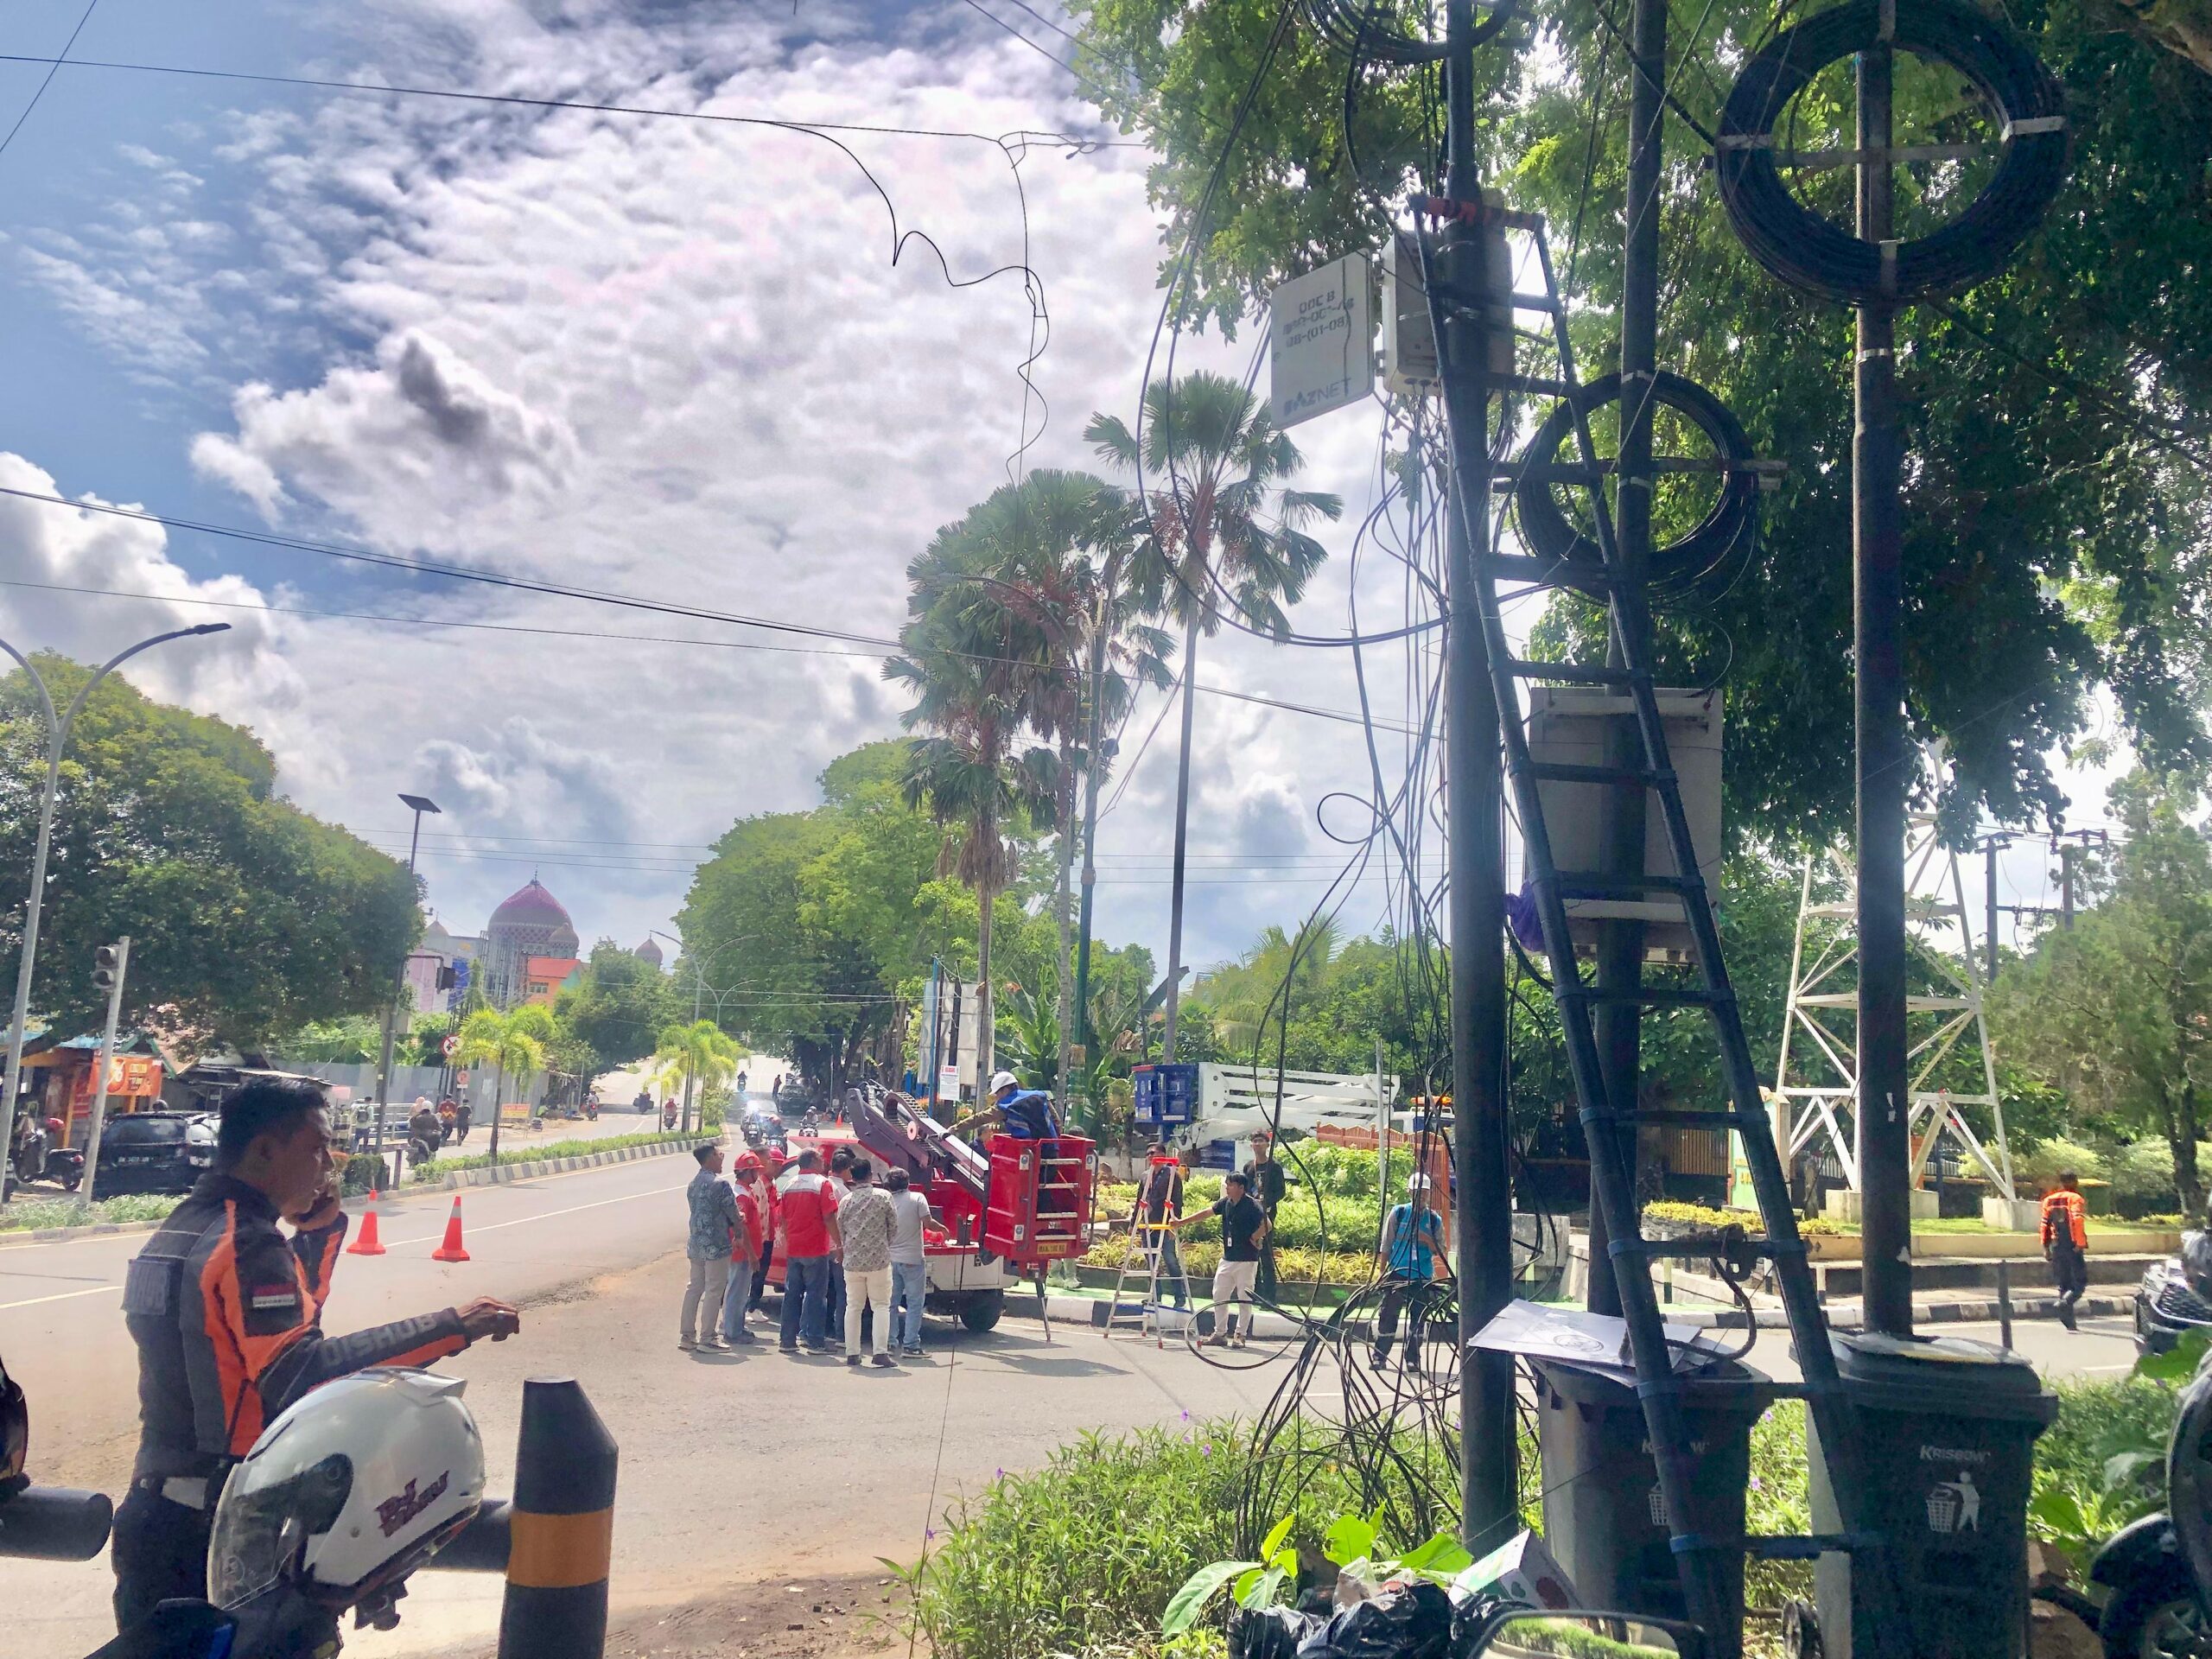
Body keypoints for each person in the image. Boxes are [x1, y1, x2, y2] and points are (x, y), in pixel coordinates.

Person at [115, 1079, 519, 1631]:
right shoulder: (247, 1242)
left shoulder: (186, 1227)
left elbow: (273, 1330)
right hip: (217, 1533)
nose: (329, 1164)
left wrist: (320, 1233)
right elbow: (301, 1376)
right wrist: (454, 1327)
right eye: (317, 1148)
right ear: (265, 1150)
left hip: (155, 1515)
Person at [1173, 1170, 1268, 1347]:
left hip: (1247, 1260)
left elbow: (1267, 1224)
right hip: (1228, 1258)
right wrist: (1181, 1222)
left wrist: (1254, 1237)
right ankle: (1220, 1333)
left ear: (1241, 1188)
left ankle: (1240, 1335)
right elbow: (1207, 1212)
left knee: (1244, 1298)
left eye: (1231, 1185)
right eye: (1227, 1184)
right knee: (1219, 1295)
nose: (1228, 1188)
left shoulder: (1252, 1205)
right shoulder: (1226, 1203)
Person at [1372, 1173, 1452, 1369]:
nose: (1421, 1196)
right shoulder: (1398, 1214)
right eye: (1417, 1192)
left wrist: (1426, 1239)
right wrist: (1382, 1273)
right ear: (1409, 1192)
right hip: (1397, 1273)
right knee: (1388, 1316)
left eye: (1424, 1192)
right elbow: (1386, 1245)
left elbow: (1441, 1250)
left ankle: (1412, 1360)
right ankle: (1379, 1358)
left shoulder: (1434, 1220)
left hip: (1422, 1277)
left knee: (1418, 1320)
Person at [830, 1158, 898, 1368]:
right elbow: (893, 1227)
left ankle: (852, 1353)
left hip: (852, 1262)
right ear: (870, 1175)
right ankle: (880, 1352)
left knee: (853, 1306)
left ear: (852, 1176)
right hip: (879, 1261)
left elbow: (840, 1229)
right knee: (881, 1306)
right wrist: (883, 1244)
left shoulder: (846, 1201)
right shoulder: (884, 1197)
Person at [776, 1148, 839, 1353]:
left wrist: (790, 1239)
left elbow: (783, 1218)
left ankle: (787, 1340)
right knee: (816, 1296)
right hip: (816, 1248)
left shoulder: (789, 1184)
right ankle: (815, 1341)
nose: (824, 1162)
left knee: (792, 1295)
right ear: (812, 1161)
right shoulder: (822, 1183)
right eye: (820, 1158)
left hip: (794, 1248)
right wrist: (839, 1244)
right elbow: (829, 1216)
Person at [681, 1143, 742, 1352]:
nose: (721, 1158)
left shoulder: (693, 1184)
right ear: (710, 1158)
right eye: (718, 1154)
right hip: (716, 1245)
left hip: (696, 1244)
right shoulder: (721, 1184)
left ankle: (687, 1336)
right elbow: (734, 1214)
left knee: (694, 1288)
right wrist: (739, 1233)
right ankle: (708, 1338)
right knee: (714, 1290)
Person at [1132, 1146, 1191, 1310]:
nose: (1150, 1156)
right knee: (1151, 1261)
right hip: (1148, 1224)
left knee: (1170, 1260)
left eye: (1153, 1153)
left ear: (1162, 1155)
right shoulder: (1145, 1176)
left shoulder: (1172, 1175)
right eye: (1148, 1154)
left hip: (1165, 1224)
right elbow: (1139, 1201)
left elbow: (1177, 1201)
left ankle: (1180, 1296)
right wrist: (1133, 1223)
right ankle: (1155, 1295)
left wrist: (1174, 1223)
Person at [719, 1153, 766, 1346]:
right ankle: (732, 1331)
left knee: (739, 1292)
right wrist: (752, 1255)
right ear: (747, 1172)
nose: (758, 1175)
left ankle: (735, 1327)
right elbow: (741, 1227)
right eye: (755, 1171)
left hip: (744, 1252)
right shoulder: (742, 1196)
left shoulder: (743, 1192)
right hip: (742, 1253)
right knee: (737, 1293)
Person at [885, 1166, 931, 1357]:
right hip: (913, 1259)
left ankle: (889, 1342)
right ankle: (911, 1344)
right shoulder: (918, 1198)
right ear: (908, 1182)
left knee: (890, 1303)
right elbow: (928, 1222)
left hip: (891, 1259)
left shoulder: (886, 1201)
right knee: (914, 1304)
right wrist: (942, 1230)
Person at [2042, 1168, 2090, 1332]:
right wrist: (2080, 1243)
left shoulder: (2048, 1200)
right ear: (2073, 1181)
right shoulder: (2075, 1198)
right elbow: (2077, 1220)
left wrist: (2045, 1247)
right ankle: (2064, 1303)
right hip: (2072, 1245)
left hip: (2056, 1245)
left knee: (2064, 1284)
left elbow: (2044, 1225)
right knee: (2080, 1283)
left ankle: (2070, 1323)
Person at [1245, 1134, 1287, 1304]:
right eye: (1255, 1141)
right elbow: (1244, 1188)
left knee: (1266, 1254)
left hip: (1268, 1214)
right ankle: (1255, 1293)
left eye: (1261, 1141)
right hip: (1252, 1215)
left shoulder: (1274, 1167)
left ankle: (1270, 1297)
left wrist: (1267, 1202)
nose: (1257, 1144)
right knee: (1252, 1253)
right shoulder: (1249, 1167)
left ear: (1267, 1144)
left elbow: (1281, 1191)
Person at [981, 1070, 1061, 1141]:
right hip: (1052, 1147)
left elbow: (981, 1118)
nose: (997, 1097)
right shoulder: (1040, 1096)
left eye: (997, 1093)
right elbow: (1057, 1121)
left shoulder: (1005, 1106)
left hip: (1026, 1149)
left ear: (1005, 1090)